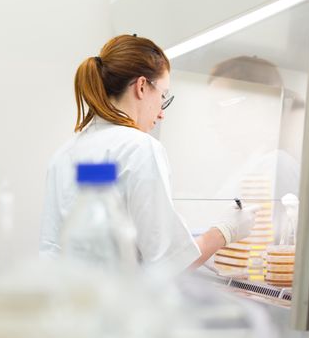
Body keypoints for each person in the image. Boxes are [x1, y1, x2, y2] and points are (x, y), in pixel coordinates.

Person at [39, 35, 258, 275]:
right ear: (142, 86)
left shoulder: (64, 153)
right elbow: (168, 266)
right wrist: (225, 231)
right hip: (116, 308)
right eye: (163, 96)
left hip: (63, 306)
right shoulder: (139, 147)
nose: (162, 114)